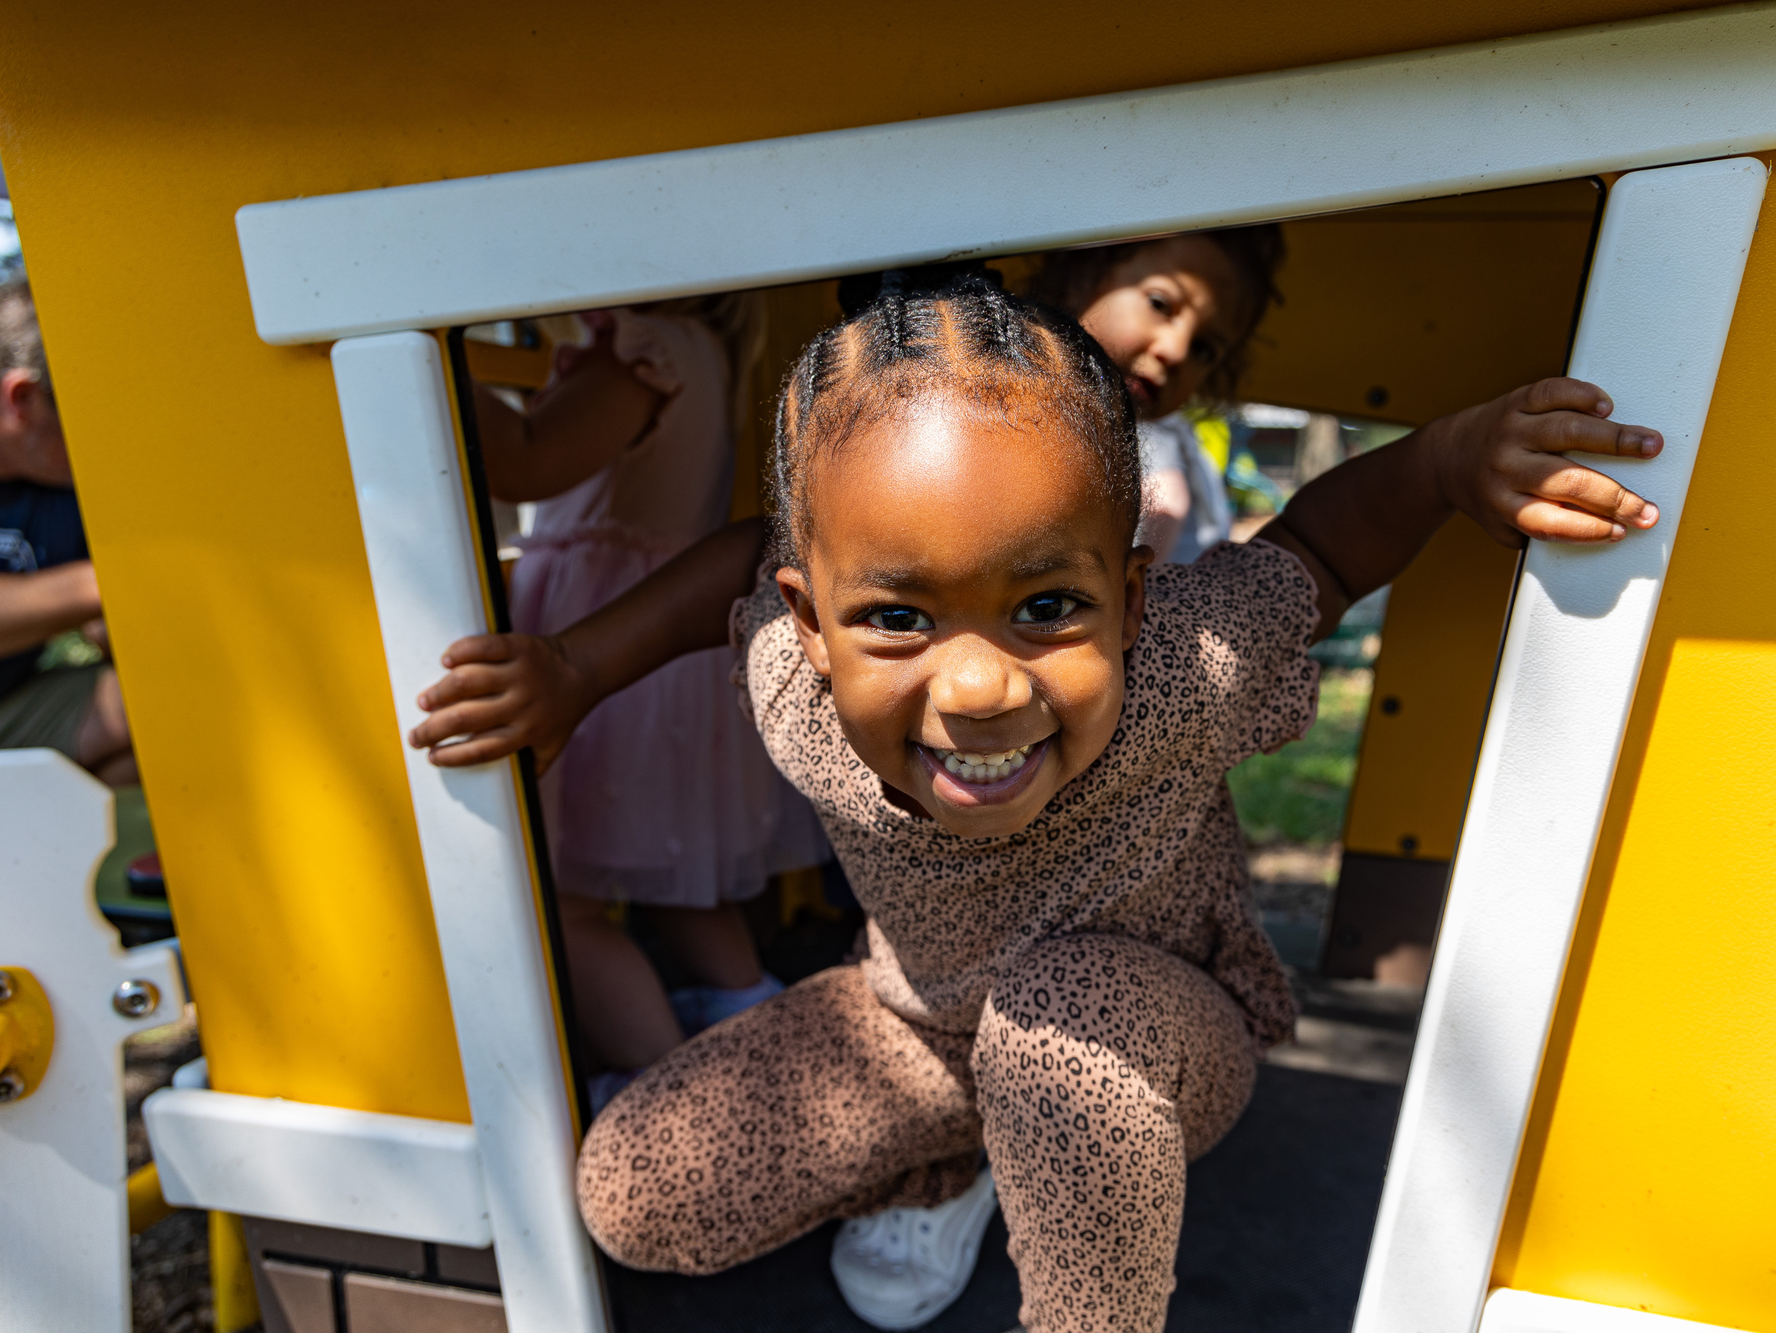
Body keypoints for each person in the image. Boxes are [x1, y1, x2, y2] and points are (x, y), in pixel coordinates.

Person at [407, 275, 1662, 1333]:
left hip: (1152, 1032)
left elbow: (1324, 548)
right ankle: (973, 1148)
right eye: (898, 617)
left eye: (1046, 607)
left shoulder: (1179, 668)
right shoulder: (791, 688)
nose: (978, 687)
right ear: (807, 627)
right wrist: (572, 670)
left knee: (1056, 1028)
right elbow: (738, 562)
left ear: (1129, 596)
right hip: (917, 1025)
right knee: (636, 1193)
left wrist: (1447, 459)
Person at [474, 297, 827, 1105]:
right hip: (666, 669)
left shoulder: (641, 352)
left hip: (614, 662)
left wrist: (430, 370)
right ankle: (766, 1037)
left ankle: (674, 1096)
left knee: (564, 902)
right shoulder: (699, 349)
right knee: (681, 891)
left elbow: (528, 459)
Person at [1030, 227, 1286, 562]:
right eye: (1160, 304)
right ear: (1083, 274)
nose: (1176, 351)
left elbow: (1166, 502)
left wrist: (1125, 576)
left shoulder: (1139, 429)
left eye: (1204, 349)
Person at [0, 278, 134, 784]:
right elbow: (110, 585)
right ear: (24, 399)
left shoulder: (58, 484)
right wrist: (110, 582)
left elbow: (110, 631)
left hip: (18, 702)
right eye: (86, 414)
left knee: (170, 698)